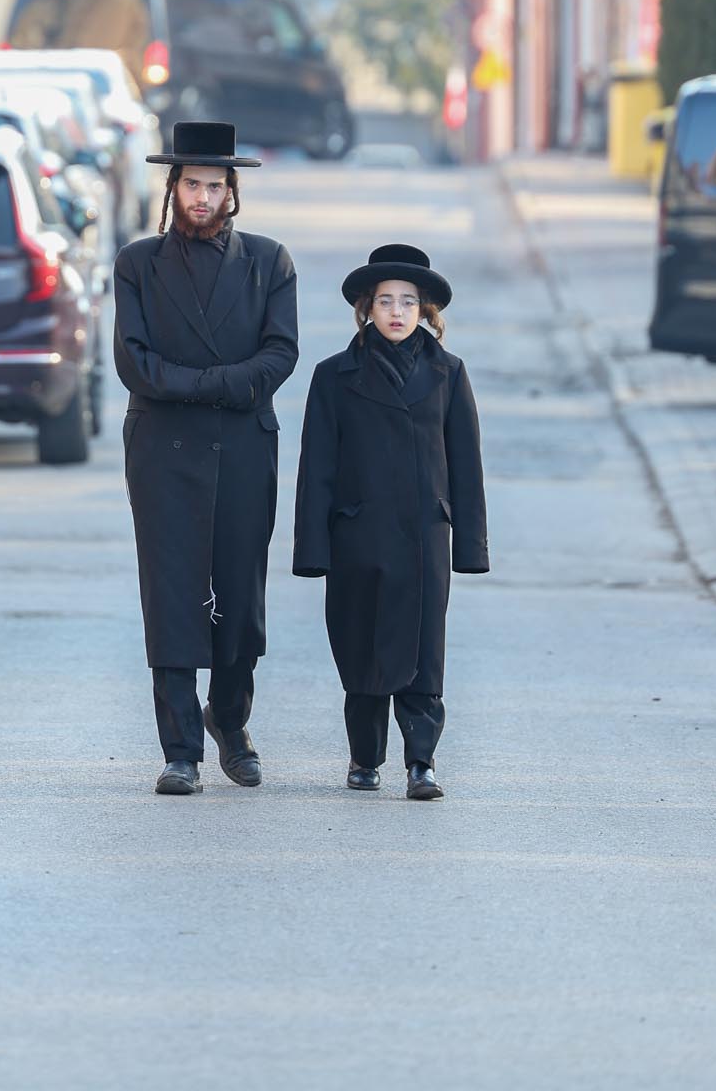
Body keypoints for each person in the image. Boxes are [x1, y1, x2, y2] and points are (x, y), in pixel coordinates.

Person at [114, 120, 298, 796]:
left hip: (246, 450)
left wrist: (195, 387)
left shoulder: (269, 261)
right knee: (170, 593)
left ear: (231, 193)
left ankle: (231, 720)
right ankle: (180, 749)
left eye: (214, 186)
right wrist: (223, 386)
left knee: (239, 595)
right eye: (191, 183)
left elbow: (280, 354)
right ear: (172, 187)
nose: (201, 197)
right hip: (162, 453)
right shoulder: (137, 263)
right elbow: (133, 362)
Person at [293, 243, 489, 800]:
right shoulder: (334, 376)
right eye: (385, 301)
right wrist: (312, 548)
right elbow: (317, 466)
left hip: (426, 534)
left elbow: (466, 463)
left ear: (426, 311)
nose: (397, 312)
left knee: (426, 650)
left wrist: (469, 545)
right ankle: (364, 756)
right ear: (367, 310)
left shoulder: (449, 374)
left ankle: (421, 761)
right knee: (360, 646)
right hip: (357, 535)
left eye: (408, 302)